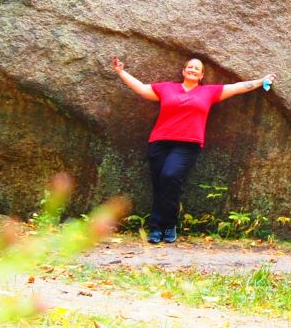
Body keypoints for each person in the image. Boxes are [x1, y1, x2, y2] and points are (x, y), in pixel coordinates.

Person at [111, 56, 276, 244]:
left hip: (187, 145)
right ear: (183, 71)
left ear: (202, 74)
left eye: (196, 68)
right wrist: (121, 72)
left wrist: (261, 81)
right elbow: (142, 89)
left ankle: (169, 224)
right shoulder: (167, 88)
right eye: (189, 67)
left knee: (169, 176)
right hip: (159, 142)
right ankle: (156, 228)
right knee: (159, 184)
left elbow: (237, 87)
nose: (192, 70)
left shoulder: (208, 92)